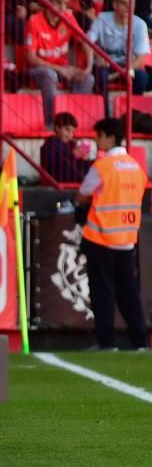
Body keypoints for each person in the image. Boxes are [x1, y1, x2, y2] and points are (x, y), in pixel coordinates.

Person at [77, 117, 149, 350]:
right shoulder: (137, 168)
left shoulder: (102, 166)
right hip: (127, 239)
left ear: (110, 138)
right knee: (129, 293)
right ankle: (140, 342)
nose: (97, 142)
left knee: (103, 293)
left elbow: (83, 195)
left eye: (98, 136)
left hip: (101, 238)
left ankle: (107, 343)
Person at [26, 0, 94, 128]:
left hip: (62, 69)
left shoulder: (68, 17)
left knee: (88, 79)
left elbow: (85, 43)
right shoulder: (34, 20)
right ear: (48, 1)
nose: (62, 7)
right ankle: (52, 124)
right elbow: (31, 58)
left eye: (65, 3)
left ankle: (71, 124)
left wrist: (88, 68)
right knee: (49, 75)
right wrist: (59, 69)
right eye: (58, 2)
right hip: (39, 69)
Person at [87, 0, 151, 100]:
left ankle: (134, 112)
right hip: (105, 64)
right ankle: (105, 111)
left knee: (142, 77)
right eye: (123, 3)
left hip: (127, 66)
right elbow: (87, 42)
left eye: (131, 3)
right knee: (100, 76)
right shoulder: (102, 18)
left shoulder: (140, 24)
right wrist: (97, 55)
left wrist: (121, 72)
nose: (128, 7)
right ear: (115, 4)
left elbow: (140, 61)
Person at [40, 112, 92, 183]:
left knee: (95, 164)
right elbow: (51, 167)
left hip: (72, 172)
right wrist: (71, 154)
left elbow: (76, 162)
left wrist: (84, 157)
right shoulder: (48, 145)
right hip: (57, 176)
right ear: (57, 128)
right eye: (67, 130)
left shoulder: (72, 144)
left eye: (73, 132)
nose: (70, 134)